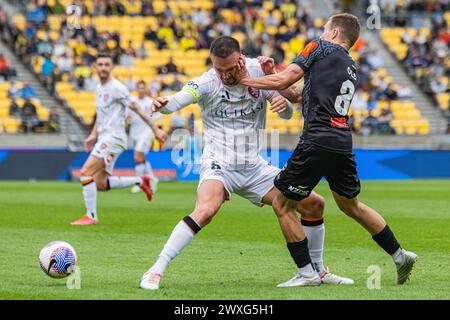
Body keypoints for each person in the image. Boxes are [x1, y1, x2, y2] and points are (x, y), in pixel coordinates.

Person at [139, 36, 353, 290]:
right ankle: (156, 269)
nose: (226, 75)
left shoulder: (258, 70)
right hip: (219, 163)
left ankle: (316, 271)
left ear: (240, 58)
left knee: (314, 204)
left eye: (230, 69)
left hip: (254, 167)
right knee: (207, 208)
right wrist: (164, 104)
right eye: (220, 69)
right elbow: (180, 98)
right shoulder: (207, 82)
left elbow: (287, 112)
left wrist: (281, 104)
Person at [236, 13, 417, 286]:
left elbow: (285, 82)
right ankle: (399, 254)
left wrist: (244, 79)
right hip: (341, 140)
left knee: (282, 203)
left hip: (317, 139)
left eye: (323, 29)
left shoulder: (319, 48)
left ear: (333, 33)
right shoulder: (350, 65)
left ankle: (307, 273)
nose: (320, 33)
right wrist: (273, 74)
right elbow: (295, 93)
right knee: (350, 205)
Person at [71, 52, 167, 226]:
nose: (103, 68)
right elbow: (101, 116)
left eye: (107, 64)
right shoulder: (99, 88)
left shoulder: (117, 87)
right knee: (100, 183)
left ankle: (91, 216)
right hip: (105, 137)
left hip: (113, 138)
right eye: (100, 64)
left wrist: (155, 129)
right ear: (95, 67)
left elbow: (136, 107)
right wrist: (93, 135)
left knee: (85, 173)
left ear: (112, 67)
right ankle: (141, 180)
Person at [127, 80, 164, 194]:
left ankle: (139, 183)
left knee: (137, 155)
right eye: (139, 88)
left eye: (143, 88)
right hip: (134, 132)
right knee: (141, 158)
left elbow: (157, 117)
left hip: (146, 132)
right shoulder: (132, 102)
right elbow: (127, 116)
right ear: (136, 89)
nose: (141, 90)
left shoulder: (149, 102)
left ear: (145, 89)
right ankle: (152, 178)